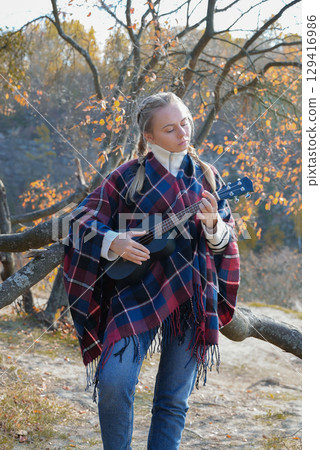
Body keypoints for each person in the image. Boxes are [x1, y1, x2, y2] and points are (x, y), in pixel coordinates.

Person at [63, 92, 240, 449]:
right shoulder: (128, 176)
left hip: (191, 294)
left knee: (173, 401)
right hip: (133, 293)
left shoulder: (207, 176)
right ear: (150, 136)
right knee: (114, 382)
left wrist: (213, 227)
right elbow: (75, 220)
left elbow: (227, 242)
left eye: (186, 122)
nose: (183, 133)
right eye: (170, 128)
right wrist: (113, 240)